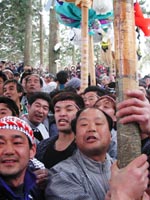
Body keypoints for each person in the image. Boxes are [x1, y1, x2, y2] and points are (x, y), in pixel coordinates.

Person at [45, 107, 114, 199]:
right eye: (84, 124)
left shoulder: (124, 168)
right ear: (75, 137)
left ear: (110, 135)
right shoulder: (62, 175)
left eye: (98, 123)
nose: (91, 128)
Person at [36, 91, 85, 168]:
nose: (62, 114)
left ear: (81, 113)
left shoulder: (86, 148)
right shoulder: (43, 146)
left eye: (69, 110)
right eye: (58, 110)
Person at [0, 116, 45, 199]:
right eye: (1, 143)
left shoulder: (40, 189)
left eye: (17, 143)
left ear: (32, 150)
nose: (9, 151)